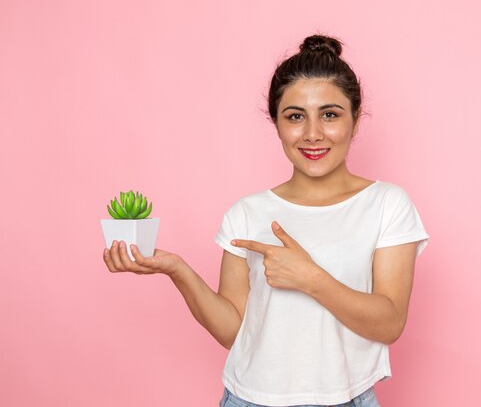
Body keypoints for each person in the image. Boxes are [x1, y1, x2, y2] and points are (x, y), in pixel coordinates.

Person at [103, 34, 430, 407]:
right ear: (276, 123)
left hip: (348, 399)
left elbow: (389, 323)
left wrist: (310, 277)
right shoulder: (247, 213)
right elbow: (233, 331)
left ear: (355, 121)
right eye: (295, 116)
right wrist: (176, 269)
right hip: (249, 399)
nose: (312, 133)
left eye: (330, 114)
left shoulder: (387, 204)